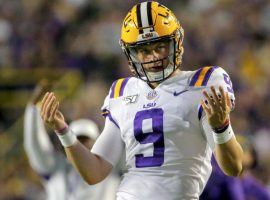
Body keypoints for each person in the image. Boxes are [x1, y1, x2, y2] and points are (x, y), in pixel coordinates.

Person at [39, 1, 243, 199]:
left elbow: (233, 168)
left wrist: (221, 127)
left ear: (175, 42)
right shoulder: (121, 91)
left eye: (159, 47)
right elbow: (95, 172)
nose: (153, 56)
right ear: (131, 54)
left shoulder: (203, 82)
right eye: (144, 50)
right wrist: (63, 130)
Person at [24, 80, 120, 200]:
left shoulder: (111, 173)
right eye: (78, 140)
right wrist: (33, 109)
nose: (82, 145)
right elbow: (35, 145)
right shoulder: (56, 169)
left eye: (86, 140)